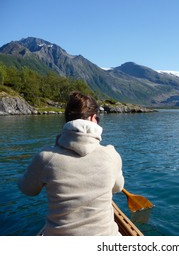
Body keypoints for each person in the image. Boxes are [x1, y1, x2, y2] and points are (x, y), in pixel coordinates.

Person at [18, 92, 124, 235]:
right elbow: (117, 188)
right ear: (93, 118)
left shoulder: (46, 157)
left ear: (67, 120)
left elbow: (27, 189)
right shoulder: (111, 154)